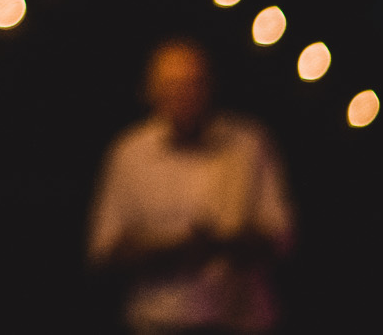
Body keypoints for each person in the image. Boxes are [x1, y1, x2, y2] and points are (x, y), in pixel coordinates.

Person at [89, 37, 294, 334]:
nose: (184, 95)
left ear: (211, 86)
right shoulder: (129, 153)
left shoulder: (251, 143)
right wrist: (173, 250)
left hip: (241, 320)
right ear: (150, 91)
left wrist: (223, 244)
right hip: (157, 322)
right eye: (172, 85)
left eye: (193, 84)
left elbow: (280, 236)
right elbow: (104, 250)